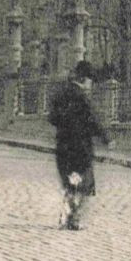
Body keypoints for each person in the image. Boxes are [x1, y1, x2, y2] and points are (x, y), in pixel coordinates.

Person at [48, 60, 111, 230]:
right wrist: (106, 138)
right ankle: (75, 219)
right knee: (84, 185)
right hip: (80, 150)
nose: (90, 83)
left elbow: (52, 118)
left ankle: (65, 217)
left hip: (63, 148)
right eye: (90, 79)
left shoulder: (60, 94)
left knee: (70, 182)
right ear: (84, 79)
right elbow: (93, 121)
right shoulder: (82, 97)